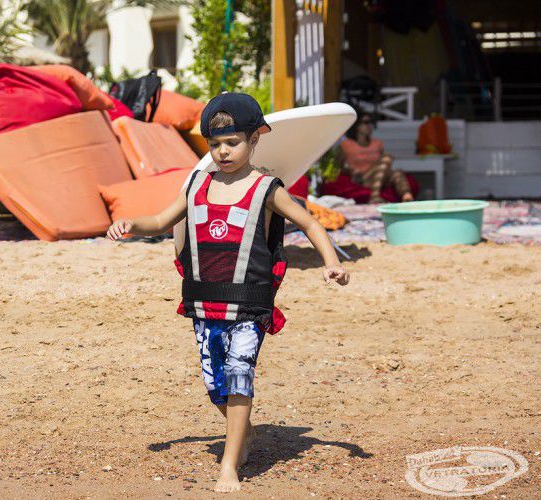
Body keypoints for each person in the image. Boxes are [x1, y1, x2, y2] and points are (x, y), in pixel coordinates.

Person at [106, 92, 350, 493]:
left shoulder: (267, 189)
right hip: (205, 303)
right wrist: (131, 224)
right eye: (214, 144)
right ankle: (245, 432)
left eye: (232, 143)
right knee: (215, 385)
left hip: (249, 306)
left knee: (239, 377)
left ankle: (229, 465)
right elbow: (161, 220)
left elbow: (309, 223)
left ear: (255, 139)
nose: (222, 152)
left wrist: (331, 262)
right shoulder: (197, 185)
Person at [337, 112, 414, 203]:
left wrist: (387, 160)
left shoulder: (377, 143)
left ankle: (407, 196)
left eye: (371, 122)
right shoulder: (347, 145)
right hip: (362, 178)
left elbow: (383, 163)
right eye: (366, 122)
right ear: (357, 125)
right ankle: (375, 196)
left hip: (379, 176)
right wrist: (351, 171)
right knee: (384, 163)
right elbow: (339, 166)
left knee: (396, 172)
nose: (369, 125)